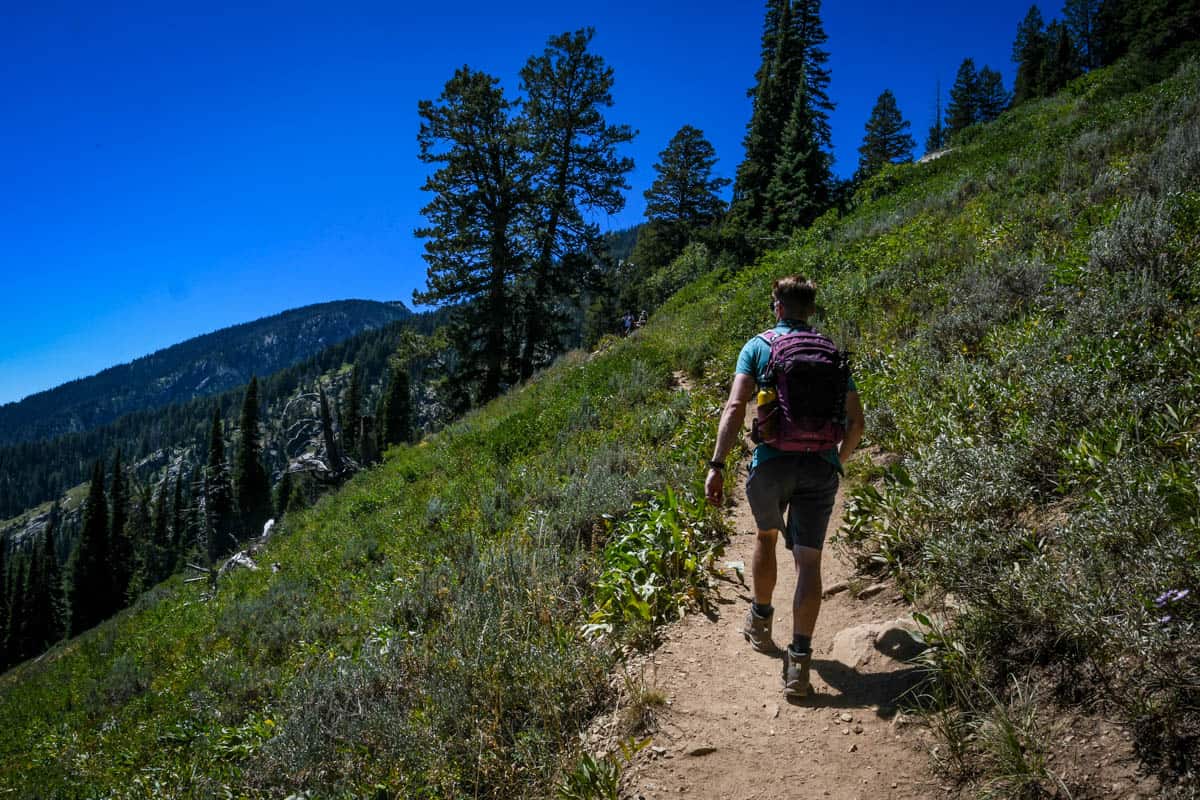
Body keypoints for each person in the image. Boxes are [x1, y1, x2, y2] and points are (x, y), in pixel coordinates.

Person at [704, 275, 865, 698]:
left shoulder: (758, 346)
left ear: (777, 305)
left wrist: (717, 465)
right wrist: (836, 460)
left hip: (772, 462)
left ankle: (760, 620)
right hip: (820, 468)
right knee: (809, 563)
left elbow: (736, 406)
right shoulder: (830, 352)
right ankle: (799, 664)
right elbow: (857, 423)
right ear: (810, 309)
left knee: (765, 535)